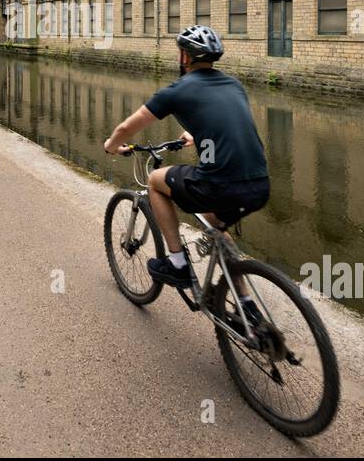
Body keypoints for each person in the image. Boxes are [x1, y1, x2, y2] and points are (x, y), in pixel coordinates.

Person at [102, 25, 269, 298]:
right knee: (216, 225)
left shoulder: (178, 90)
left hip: (219, 185)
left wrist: (111, 146)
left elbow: (126, 128)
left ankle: (177, 264)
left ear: (185, 57)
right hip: (259, 185)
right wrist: (196, 134)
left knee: (156, 182)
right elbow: (228, 123)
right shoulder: (234, 85)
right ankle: (246, 303)